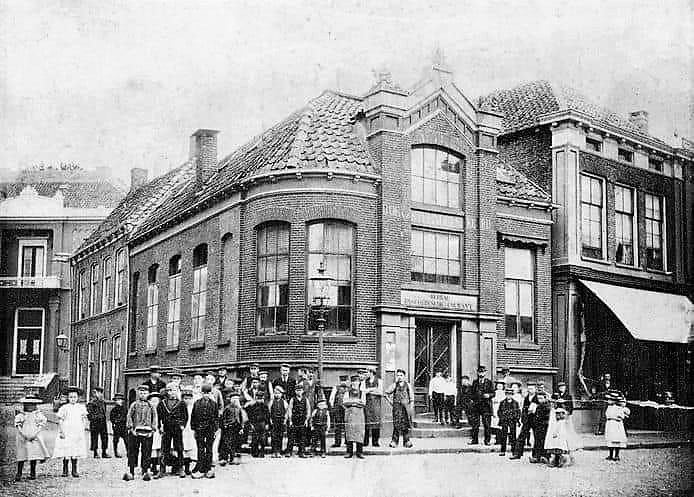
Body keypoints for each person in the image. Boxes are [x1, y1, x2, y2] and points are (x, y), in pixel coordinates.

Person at [124, 384, 157, 481]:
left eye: (145, 393)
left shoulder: (151, 406)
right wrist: (131, 429)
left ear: (148, 394)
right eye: (141, 393)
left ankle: (145, 470)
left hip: (147, 433)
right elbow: (129, 416)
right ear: (138, 393)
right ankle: (131, 471)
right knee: (133, 451)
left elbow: (154, 418)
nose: (143, 395)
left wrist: (153, 430)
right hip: (135, 432)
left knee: (146, 452)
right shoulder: (134, 405)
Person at [15, 394, 50, 482]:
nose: (30, 406)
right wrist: (23, 433)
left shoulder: (38, 414)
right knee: (22, 454)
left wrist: (35, 434)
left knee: (33, 454)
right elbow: (18, 425)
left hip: (34, 436)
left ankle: (33, 472)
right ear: (24, 405)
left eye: (32, 404)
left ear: (35, 405)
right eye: (28, 404)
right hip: (23, 436)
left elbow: (41, 425)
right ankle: (19, 473)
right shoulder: (21, 415)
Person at [157, 383, 188, 478]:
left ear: (177, 391)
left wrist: (182, 425)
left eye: (174, 390)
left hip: (177, 428)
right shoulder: (162, 403)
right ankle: (162, 469)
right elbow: (158, 417)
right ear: (167, 392)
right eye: (170, 390)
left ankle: (180, 468)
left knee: (179, 448)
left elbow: (185, 416)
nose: (172, 393)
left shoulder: (181, 403)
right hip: (166, 428)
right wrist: (159, 426)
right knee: (164, 449)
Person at [191, 383, 218, 478]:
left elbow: (216, 417)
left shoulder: (214, 404)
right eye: (204, 393)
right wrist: (194, 429)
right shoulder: (197, 403)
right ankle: (200, 466)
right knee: (200, 448)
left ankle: (208, 467)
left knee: (209, 448)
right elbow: (193, 417)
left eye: (208, 393)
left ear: (211, 393)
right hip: (199, 429)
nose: (206, 395)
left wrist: (215, 430)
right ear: (201, 393)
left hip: (210, 429)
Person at [385, 369, 414, 448]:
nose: (399, 377)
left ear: (404, 376)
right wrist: (391, 402)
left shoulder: (408, 385)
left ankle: (407, 441)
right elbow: (386, 393)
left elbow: (411, 398)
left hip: (405, 408)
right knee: (396, 424)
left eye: (401, 375)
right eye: (398, 375)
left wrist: (410, 408)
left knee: (405, 424)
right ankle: (394, 441)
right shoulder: (394, 385)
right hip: (397, 408)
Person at [510, 381, 539, 460]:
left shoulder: (537, 397)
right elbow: (523, 409)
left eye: (532, 389)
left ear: (535, 389)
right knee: (521, 436)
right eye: (528, 388)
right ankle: (517, 454)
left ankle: (536, 455)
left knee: (537, 437)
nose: (530, 390)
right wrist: (523, 418)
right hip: (527, 420)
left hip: (536, 420)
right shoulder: (526, 397)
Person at [469, 365, 494, 445]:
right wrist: (473, 399)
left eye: (483, 372)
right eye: (480, 372)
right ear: (477, 373)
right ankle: (474, 440)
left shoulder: (489, 382)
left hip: (486, 406)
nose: (481, 374)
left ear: (485, 373)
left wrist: (489, 395)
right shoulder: (475, 382)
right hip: (476, 406)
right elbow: (471, 393)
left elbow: (493, 393)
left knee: (487, 424)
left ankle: (487, 441)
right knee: (475, 424)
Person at [220, 391, 247, 465]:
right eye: (233, 399)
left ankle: (233, 458)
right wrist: (225, 425)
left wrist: (241, 428)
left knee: (235, 443)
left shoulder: (239, 409)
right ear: (230, 400)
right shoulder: (227, 408)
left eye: (237, 399)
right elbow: (223, 418)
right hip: (229, 427)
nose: (235, 400)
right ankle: (224, 458)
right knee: (227, 443)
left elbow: (241, 419)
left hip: (237, 427)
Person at [343, 375, 366, 459]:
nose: (355, 383)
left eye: (356, 382)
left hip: (359, 415)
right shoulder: (347, 392)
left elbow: (363, 403)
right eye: (353, 382)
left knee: (359, 432)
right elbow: (345, 402)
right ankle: (349, 452)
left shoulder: (362, 392)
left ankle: (359, 452)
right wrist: (356, 402)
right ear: (351, 383)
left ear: (359, 383)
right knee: (350, 433)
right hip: (350, 414)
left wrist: (352, 401)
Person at [286, 382, 311, 457]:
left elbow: (308, 410)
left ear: (302, 391)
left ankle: (301, 452)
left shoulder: (305, 399)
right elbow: (289, 409)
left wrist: (306, 420)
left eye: (300, 390)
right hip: (294, 420)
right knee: (291, 437)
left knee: (302, 437)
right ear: (295, 391)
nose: (298, 392)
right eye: (297, 390)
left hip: (302, 420)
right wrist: (290, 420)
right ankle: (289, 451)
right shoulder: (292, 399)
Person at [604, 392, 630, 461]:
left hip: (616, 425)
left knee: (617, 440)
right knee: (610, 440)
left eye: (610, 399)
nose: (608, 401)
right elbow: (607, 415)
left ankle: (617, 455)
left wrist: (618, 417)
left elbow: (622, 415)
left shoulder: (619, 408)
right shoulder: (609, 407)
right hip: (610, 424)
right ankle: (610, 455)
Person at [497, 388, 521, 457]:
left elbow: (518, 412)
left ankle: (514, 451)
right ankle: (503, 451)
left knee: (513, 436)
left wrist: (516, 419)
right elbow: (499, 411)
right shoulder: (502, 402)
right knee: (503, 436)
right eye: (507, 394)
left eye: (510, 394)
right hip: (504, 421)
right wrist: (501, 417)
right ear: (505, 394)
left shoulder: (515, 403)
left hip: (512, 421)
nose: (509, 396)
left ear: (512, 395)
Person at [86, 386, 109, 458]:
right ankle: (95, 453)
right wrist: (94, 418)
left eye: (100, 393)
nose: (99, 394)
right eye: (97, 392)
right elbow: (89, 414)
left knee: (105, 437)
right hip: (95, 422)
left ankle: (104, 452)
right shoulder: (91, 403)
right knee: (94, 437)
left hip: (103, 422)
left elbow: (104, 411)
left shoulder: (103, 402)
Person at [246, 390, 270, 458]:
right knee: (255, 439)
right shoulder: (252, 406)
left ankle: (262, 452)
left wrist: (267, 424)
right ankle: (255, 452)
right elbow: (250, 415)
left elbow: (267, 415)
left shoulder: (265, 406)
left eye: (261, 398)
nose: (260, 400)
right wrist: (251, 424)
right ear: (255, 398)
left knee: (263, 439)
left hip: (263, 423)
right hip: (255, 423)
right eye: (258, 398)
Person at [363, 367, 383, 447]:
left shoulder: (379, 381)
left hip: (376, 405)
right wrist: (374, 389)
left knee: (376, 422)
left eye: (367, 372)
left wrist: (369, 390)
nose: (365, 374)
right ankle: (365, 441)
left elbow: (380, 392)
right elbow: (363, 391)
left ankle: (375, 442)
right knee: (366, 422)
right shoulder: (364, 382)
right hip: (367, 404)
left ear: (371, 372)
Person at [529, 391, 551, 463]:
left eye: (541, 398)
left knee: (543, 441)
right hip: (538, 426)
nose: (539, 400)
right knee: (538, 441)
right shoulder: (539, 405)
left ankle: (543, 456)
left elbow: (546, 417)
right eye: (538, 398)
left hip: (544, 426)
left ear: (545, 398)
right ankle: (537, 456)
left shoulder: (547, 406)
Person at [180, 388, 197, 476]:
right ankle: (182, 467)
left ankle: (189, 467)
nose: (187, 400)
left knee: (191, 448)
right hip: (182, 430)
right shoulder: (180, 407)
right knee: (183, 448)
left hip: (191, 431)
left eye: (189, 399)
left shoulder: (194, 407)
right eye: (185, 399)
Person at [329, 375, 348, 447]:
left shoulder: (349, 389)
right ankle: (337, 442)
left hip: (346, 409)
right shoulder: (336, 388)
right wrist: (333, 408)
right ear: (340, 381)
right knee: (338, 426)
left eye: (345, 380)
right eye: (342, 381)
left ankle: (347, 442)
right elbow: (331, 398)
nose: (343, 382)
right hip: (338, 409)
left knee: (347, 425)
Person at [268, 386, 288, 458]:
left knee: (280, 436)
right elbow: (269, 412)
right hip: (274, 421)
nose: (277, 395)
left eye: (279, 393)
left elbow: (286, 412)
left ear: (281, 394)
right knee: (273, 436)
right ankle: (273, 451)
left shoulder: (284, 402)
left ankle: (279, 451)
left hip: (281, 421)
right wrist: (270, 419)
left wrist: (285, 420)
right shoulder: (271, 402)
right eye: (275, 393)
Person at [147, 391, 163, 477]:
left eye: (156, 401)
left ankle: (158, 466)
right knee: (152, 449)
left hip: (159, 431)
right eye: (152, 401)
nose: (154, 403)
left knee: (158, 449)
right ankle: (151, 466)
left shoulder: (161, 410)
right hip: (151, 431)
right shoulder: (148, 410)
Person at [109, 393, 128, 458]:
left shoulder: (125, 409)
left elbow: (127, 417)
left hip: (123, 426)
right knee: (116, 440)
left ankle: (128, 452)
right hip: (117, 427)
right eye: (117, 400)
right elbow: (112, 418)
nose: (119, 401)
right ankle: (116, 452)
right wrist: (115, 421)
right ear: (115, 401)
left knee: (127, 440)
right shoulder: (114, 410)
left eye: (120, 400)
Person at [490, 379, 506, 444]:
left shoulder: (504, 393)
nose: (499, 387)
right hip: (495, 409)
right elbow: (491, 401)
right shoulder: (494, 393)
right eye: (498, 385)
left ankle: (501, 439)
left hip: (502, 410)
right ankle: (497, 439)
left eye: (501, 385)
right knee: (495, 425)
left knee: (501, 425)